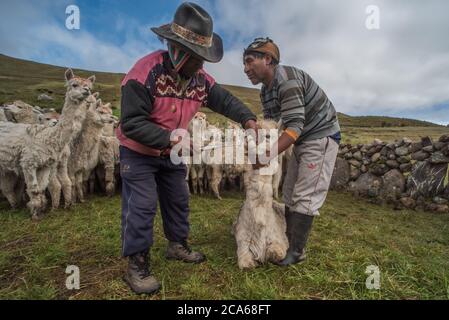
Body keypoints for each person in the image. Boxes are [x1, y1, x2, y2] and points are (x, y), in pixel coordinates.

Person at [117, 2, 258, 294]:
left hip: (172, 151)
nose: (201, 65)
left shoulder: (200, 80)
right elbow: (131, 123)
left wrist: (247, 118)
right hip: (139, 152)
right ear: (178, 50)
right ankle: (137, 264)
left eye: (204, 59)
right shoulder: (144, 74)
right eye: (197, 58)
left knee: (178, 199)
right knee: (141, 205)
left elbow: (224, 100)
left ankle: (177, 246)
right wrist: (170, 138)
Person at [243, 37, 341, 266]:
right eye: (244, 64)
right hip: (302, 139)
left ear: (268, 59)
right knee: (288, 190)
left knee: (306, 194)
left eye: (249, 61)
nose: (245, 69)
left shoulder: (287, 80)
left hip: (320, 136)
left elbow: (295, 125)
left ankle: (296, 252)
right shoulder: (266, 91)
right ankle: (287, 242)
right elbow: (275, 124)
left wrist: (266, 156)